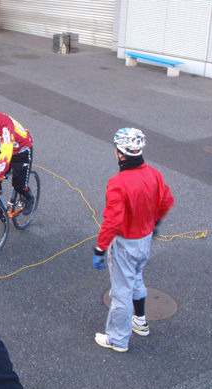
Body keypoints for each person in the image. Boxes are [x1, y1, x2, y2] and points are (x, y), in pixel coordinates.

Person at [92, 127, 175, 352]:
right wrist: (155, 222)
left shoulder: (118, 182)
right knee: (136, 279)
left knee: (121, 292)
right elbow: (167, 200)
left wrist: (100, 248)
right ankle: (140, 321)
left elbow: (113, 221)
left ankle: (117, 339)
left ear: (120, 153)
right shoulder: (154, 174)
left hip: (125, 244)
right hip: (145, 240)